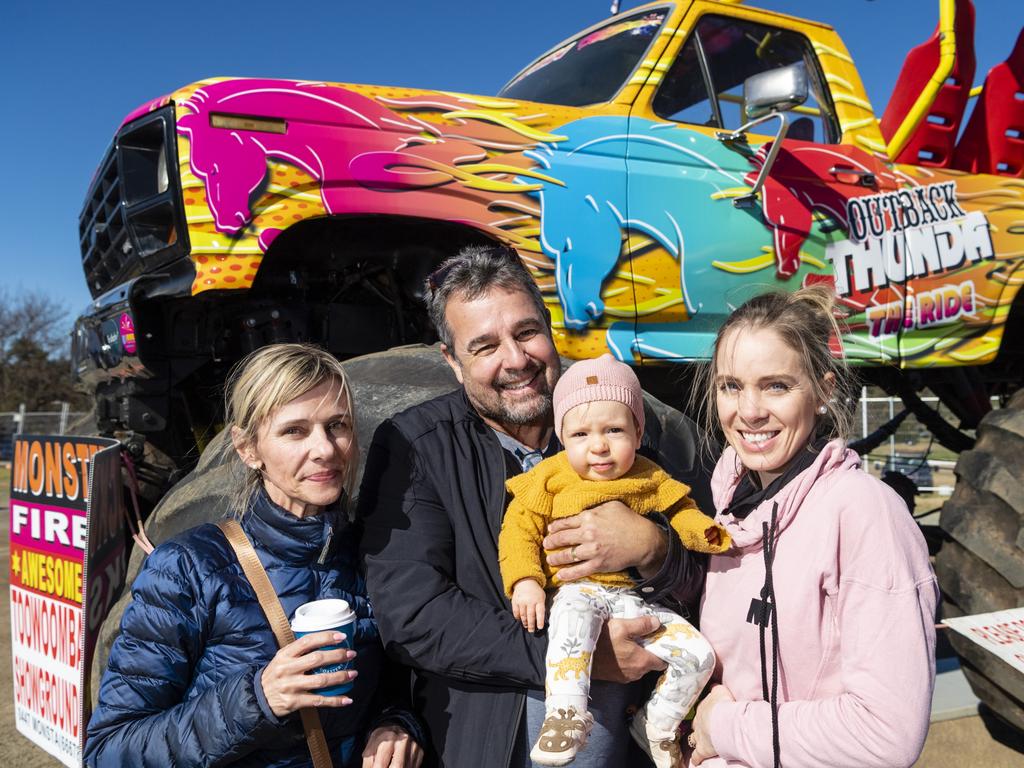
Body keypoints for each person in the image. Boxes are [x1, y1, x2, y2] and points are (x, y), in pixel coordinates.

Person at [358, 245, 710, 768]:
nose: (516, 360)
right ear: (452, 362)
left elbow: (709, 578)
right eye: (484, 346)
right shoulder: (416, 446)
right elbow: (414, 615)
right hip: (488, 739)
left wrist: (653, 548)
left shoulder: (633, 426)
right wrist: (580, 657)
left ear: (550, 328)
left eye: (526, 333)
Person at [86, 343, 423, 768]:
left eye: (337, 425)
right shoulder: (187, 569)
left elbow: (400, 680)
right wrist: (258, 698)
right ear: (248, 449)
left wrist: (397, 722)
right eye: (294, 431)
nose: (325, 449)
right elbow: (109, 751)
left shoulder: (373, 554)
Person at [686, 288, 938, 768]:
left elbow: (885, 735)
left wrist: (723, 727)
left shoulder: (864, 513)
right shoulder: (727, 514)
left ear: (823, 390)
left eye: (776, 385)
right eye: (731, 386)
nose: (750, 410)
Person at [499, 354, 731, 767]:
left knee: (699, 654)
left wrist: (710, 534)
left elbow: (684, 513)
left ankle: (657, 721)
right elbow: (519, 529)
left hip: (639, 602)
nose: (599, 445)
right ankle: (565, 713)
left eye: (614, 429)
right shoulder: (549, 477)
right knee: (570, 623)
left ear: (638, 432)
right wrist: (525, 580)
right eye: (581, 434)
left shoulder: (650, 476)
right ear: (562, 437)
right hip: (579, 589)